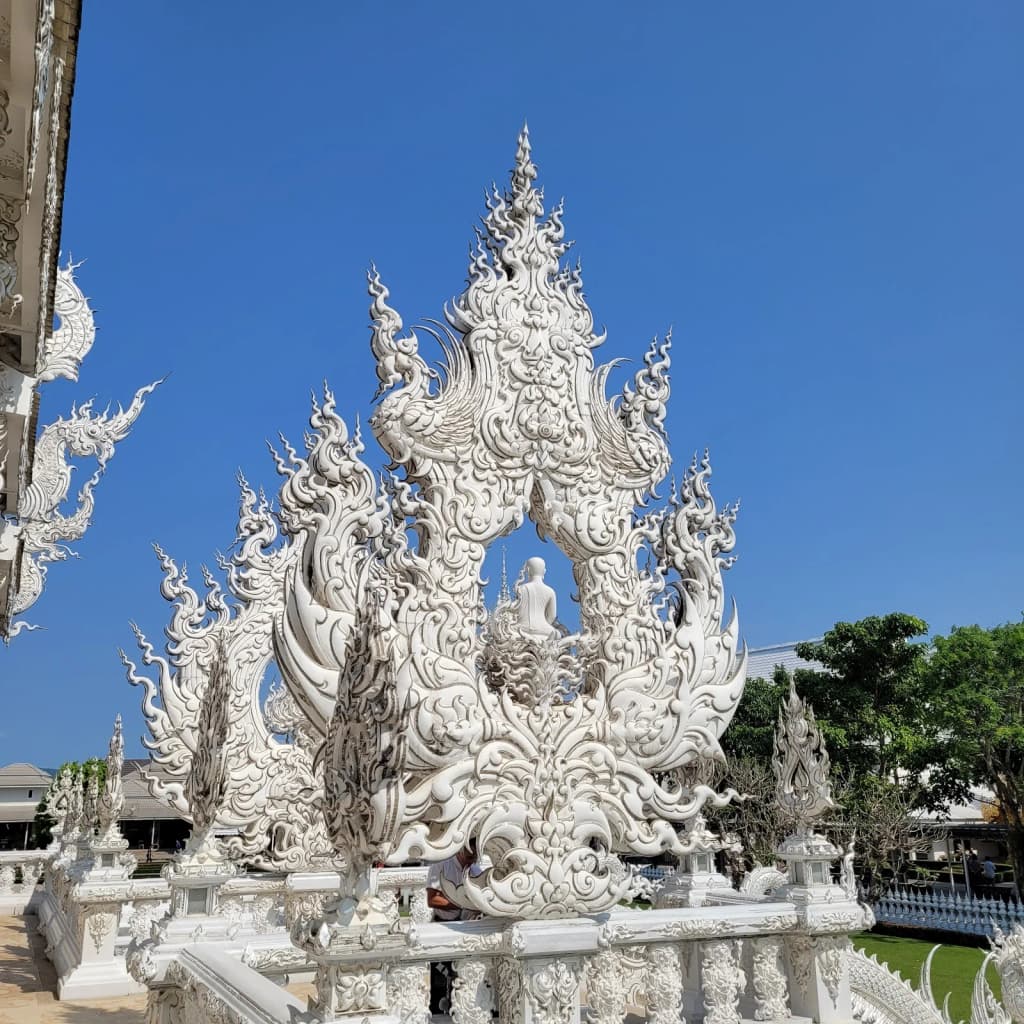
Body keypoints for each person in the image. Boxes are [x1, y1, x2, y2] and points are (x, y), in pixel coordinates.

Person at [515, 557, 558, 640]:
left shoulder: (521, 588)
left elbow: (517, 611)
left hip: (523, 628)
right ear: (544, 571)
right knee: (557, 634)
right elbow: (552, 616)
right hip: (544, 629)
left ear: (527, 570)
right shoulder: (550, 591)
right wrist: (542, 625)